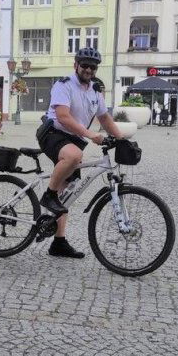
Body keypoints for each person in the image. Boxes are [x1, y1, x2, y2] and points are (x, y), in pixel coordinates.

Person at [36, 47, 123, 259]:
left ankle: (58, 243)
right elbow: (63, 117)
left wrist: (122, 141)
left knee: (69, 193)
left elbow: (105, 118)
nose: (88, 69)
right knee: (74, 156)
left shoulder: (95, 90)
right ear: (76, 65)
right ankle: (48, 195)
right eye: (84, 65)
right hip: (53, 133)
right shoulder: (63, 85)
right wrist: (92, 136)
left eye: (92, 67)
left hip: (74, 138)